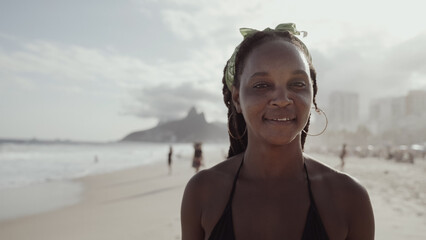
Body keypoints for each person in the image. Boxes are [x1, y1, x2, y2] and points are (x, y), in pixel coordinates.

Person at [181, 23, 374, 240]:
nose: (282, 99)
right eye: (262, 85)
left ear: (313, 94)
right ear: (237, 99)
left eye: (297, 83)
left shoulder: (349, 198)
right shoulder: (202, 192)